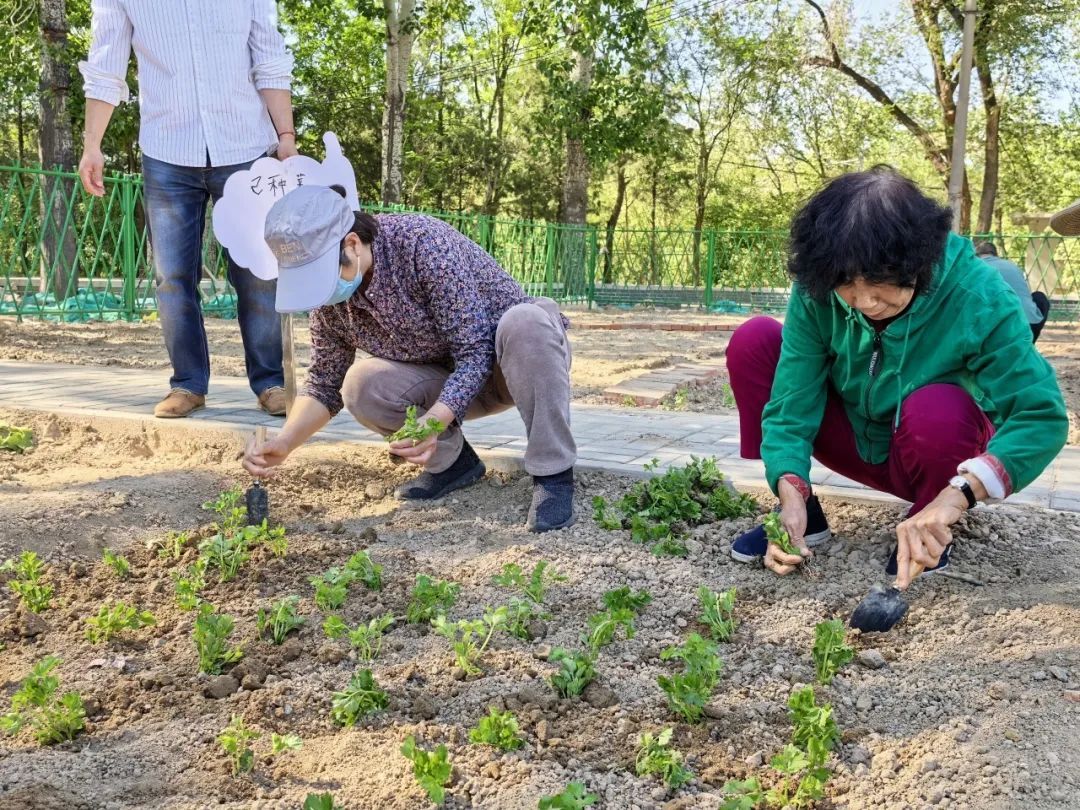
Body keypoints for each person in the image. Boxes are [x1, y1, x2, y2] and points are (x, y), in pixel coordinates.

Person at [725, 166, 1067, 587]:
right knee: (755, 341)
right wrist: (789, 492)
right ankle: (804, 516)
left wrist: (959, 494)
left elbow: (1041, 416)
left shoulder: (978, 296)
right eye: (846, 284)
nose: (865, 301)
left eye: (879, 283)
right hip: (853, 441)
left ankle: (929, 524)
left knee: (938, 408)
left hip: (934, 457)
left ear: (918, 261)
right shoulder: (819, 284)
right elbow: (791, 400)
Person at [241, 185, 578, 532]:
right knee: (361, 385)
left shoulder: (420, 244)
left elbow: (476, 351)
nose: (321, 292)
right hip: (449, 379)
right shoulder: (331, 302)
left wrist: (432, 423)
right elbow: (324, 382)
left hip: (515, 365)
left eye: (321, 275)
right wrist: (285, 442)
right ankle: (453, 465)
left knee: (524, 321)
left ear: (352, 244)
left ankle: (553, 474)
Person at [77, 0, 297, 418]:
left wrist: (285, 135)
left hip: (245, 145)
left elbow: (268, 58)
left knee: (258, 275)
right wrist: (92, 145)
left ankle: (271, 382)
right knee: (172, 276)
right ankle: (188, 384)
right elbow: (106, 64)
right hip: (167, 148)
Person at [974, 241, 1050, 342]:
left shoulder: (976, 268)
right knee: (1039, 296)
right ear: (995, 254)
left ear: (976, 255)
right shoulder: (1012, 266)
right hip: (1030, 323)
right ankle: (1028, 344)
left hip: (1002, 327)